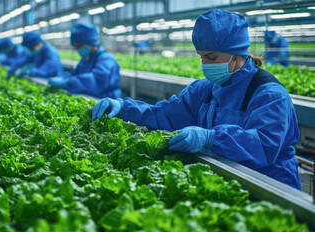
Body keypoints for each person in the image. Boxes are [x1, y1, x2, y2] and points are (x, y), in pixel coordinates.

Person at [91, 9, 301, 190]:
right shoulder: (205, 90)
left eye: (211, 58)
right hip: (225, 180)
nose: (204, 64)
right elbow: (164, 114)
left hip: (271, 186)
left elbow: (264, 144)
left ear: (236, 55)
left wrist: (211, 137)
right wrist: (123, 108)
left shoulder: (269, 95)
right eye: (201, 57)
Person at [47, 23, 122, 99]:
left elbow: (96, 81)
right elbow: (75, 74)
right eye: (75, 46)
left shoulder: (106, 59)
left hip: (106, 102)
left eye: (79, 46)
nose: (78, 49)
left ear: (91, 43)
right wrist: (62, 77)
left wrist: (66, 83)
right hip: (91, 98)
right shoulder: (86, 59)